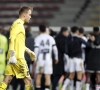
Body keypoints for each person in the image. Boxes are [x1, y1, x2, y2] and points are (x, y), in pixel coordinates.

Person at [0, 6, 36, 90]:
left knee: (7, 79)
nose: (30, 17)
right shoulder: (18, 24)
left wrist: (28, 51)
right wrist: (13, 54)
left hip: (13, 57)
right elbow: (11, 39)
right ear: (24, 15)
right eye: (29, 14)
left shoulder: (18, 24)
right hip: (18, 57)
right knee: (28, 81)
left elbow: (18, 43)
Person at [34, 25, 58, 90]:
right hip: (48, 59)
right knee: (48, 76)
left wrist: (35, 60)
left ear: (39, 30)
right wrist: (56, 57)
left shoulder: (37, 38)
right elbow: (55, 49)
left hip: (40, 59)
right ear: (45, 29)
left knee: (39, 76)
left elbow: (36, 49)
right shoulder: (51, 38)